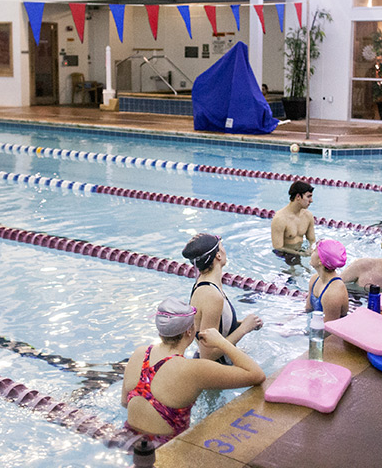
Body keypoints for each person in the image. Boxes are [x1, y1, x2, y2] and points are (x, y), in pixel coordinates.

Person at [121, 297, 265, 443]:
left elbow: (124, 402)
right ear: (189, 332)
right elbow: (256, 375)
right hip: (165, 448)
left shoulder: (140, 353)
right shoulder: (193, 369)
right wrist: (220, 341)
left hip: (127, 439)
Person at [184, 233, 264, 364]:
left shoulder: (206, 284)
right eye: (222, 246)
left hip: (220, 363)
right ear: (218, 255)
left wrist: (244, 324)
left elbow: (215, 325)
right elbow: (207, 355)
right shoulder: (211, 295)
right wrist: (243, 329)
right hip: (216, 368)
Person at [270, 181, 317, 264]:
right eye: (308, 197)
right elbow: (278, 248)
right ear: (298, 196)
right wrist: (301, 254)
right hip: (283, 257)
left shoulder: (308, 216)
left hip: (299, 252)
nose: (311, 200)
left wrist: (311, 251)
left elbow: (312, 240)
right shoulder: (280, 219)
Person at [305, 239, 349, 323]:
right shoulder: (314, 279)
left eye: (315, 251)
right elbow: (308, 310)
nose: (312, 251)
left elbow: (328, 328)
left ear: (320, 261)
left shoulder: (333, 293)